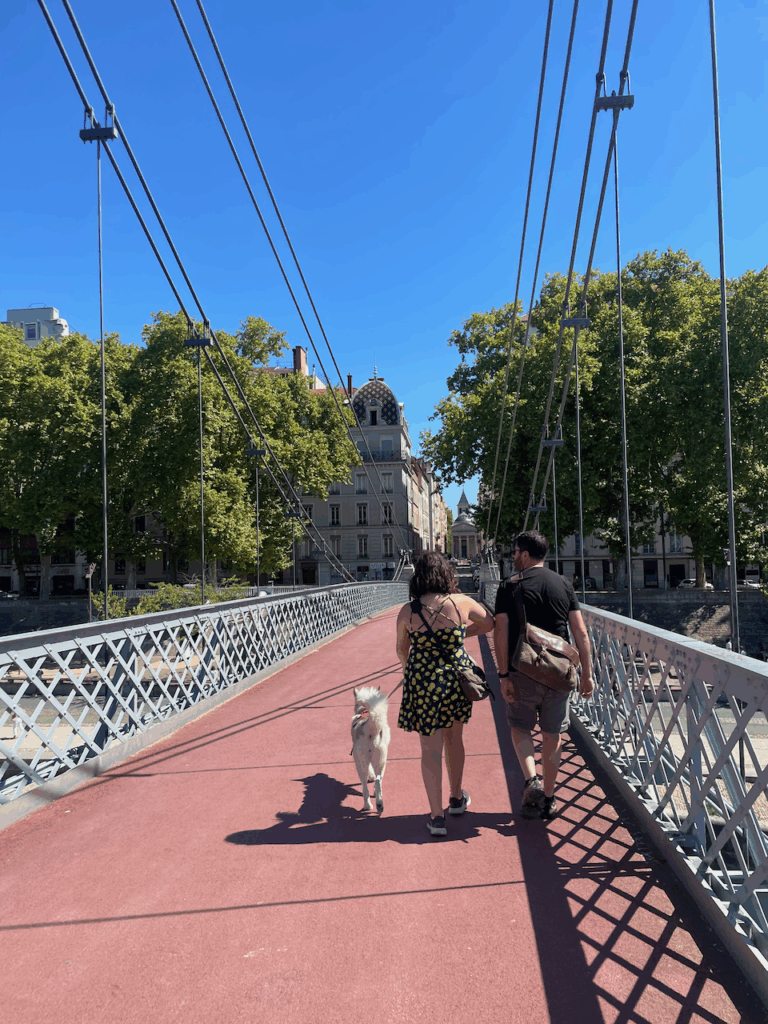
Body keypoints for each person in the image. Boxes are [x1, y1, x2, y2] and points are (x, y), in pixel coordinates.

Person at [494, 530, 593, 821]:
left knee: (520, 728)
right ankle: (549, 798)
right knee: (553, 735)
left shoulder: (509, 585)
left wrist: (503, 675)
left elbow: (500, 633)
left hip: (522, 670)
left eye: (515, 552)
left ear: (525, 555)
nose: (513, 557)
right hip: (559, 673)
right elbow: (581, 632)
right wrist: (587, 674)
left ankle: (531, 781)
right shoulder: (564, 584)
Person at [396, 551, 495, 836]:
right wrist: (461, 634)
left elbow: (402, 649)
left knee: (429, 749)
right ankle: (456, 798)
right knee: (454, 738)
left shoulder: (408, 611)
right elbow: (489, 623)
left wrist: (410, 668)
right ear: (446, 574)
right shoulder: (460, 602)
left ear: (418, 577)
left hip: (422, 681)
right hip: (456, 679)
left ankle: (436, 817)